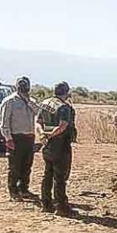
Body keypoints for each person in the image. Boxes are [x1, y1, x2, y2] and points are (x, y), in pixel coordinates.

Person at [37, 82, 77, 217]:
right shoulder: (64, 107)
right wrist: (51, 134)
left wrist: (43, 134)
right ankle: (61, 206)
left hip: (47, 144)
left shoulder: (45, 103)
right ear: (66, 92)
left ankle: (46, 204)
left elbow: (38, 122)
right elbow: (63, 125)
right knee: (60, 177)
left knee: (47, 173)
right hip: (60, 144)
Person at [0, 76, 40, 201]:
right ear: (17, 86)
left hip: (29, 137)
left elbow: (38, 112)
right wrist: (8, 138)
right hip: (16, 137)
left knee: (27, 165)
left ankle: (24, 188)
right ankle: (13, 191)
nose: (24, 87)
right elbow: (4, 121)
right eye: (22, 85)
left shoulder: (31, 101)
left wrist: (28, 101)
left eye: (26, 85)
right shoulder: (9, 101)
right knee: (15, 166)